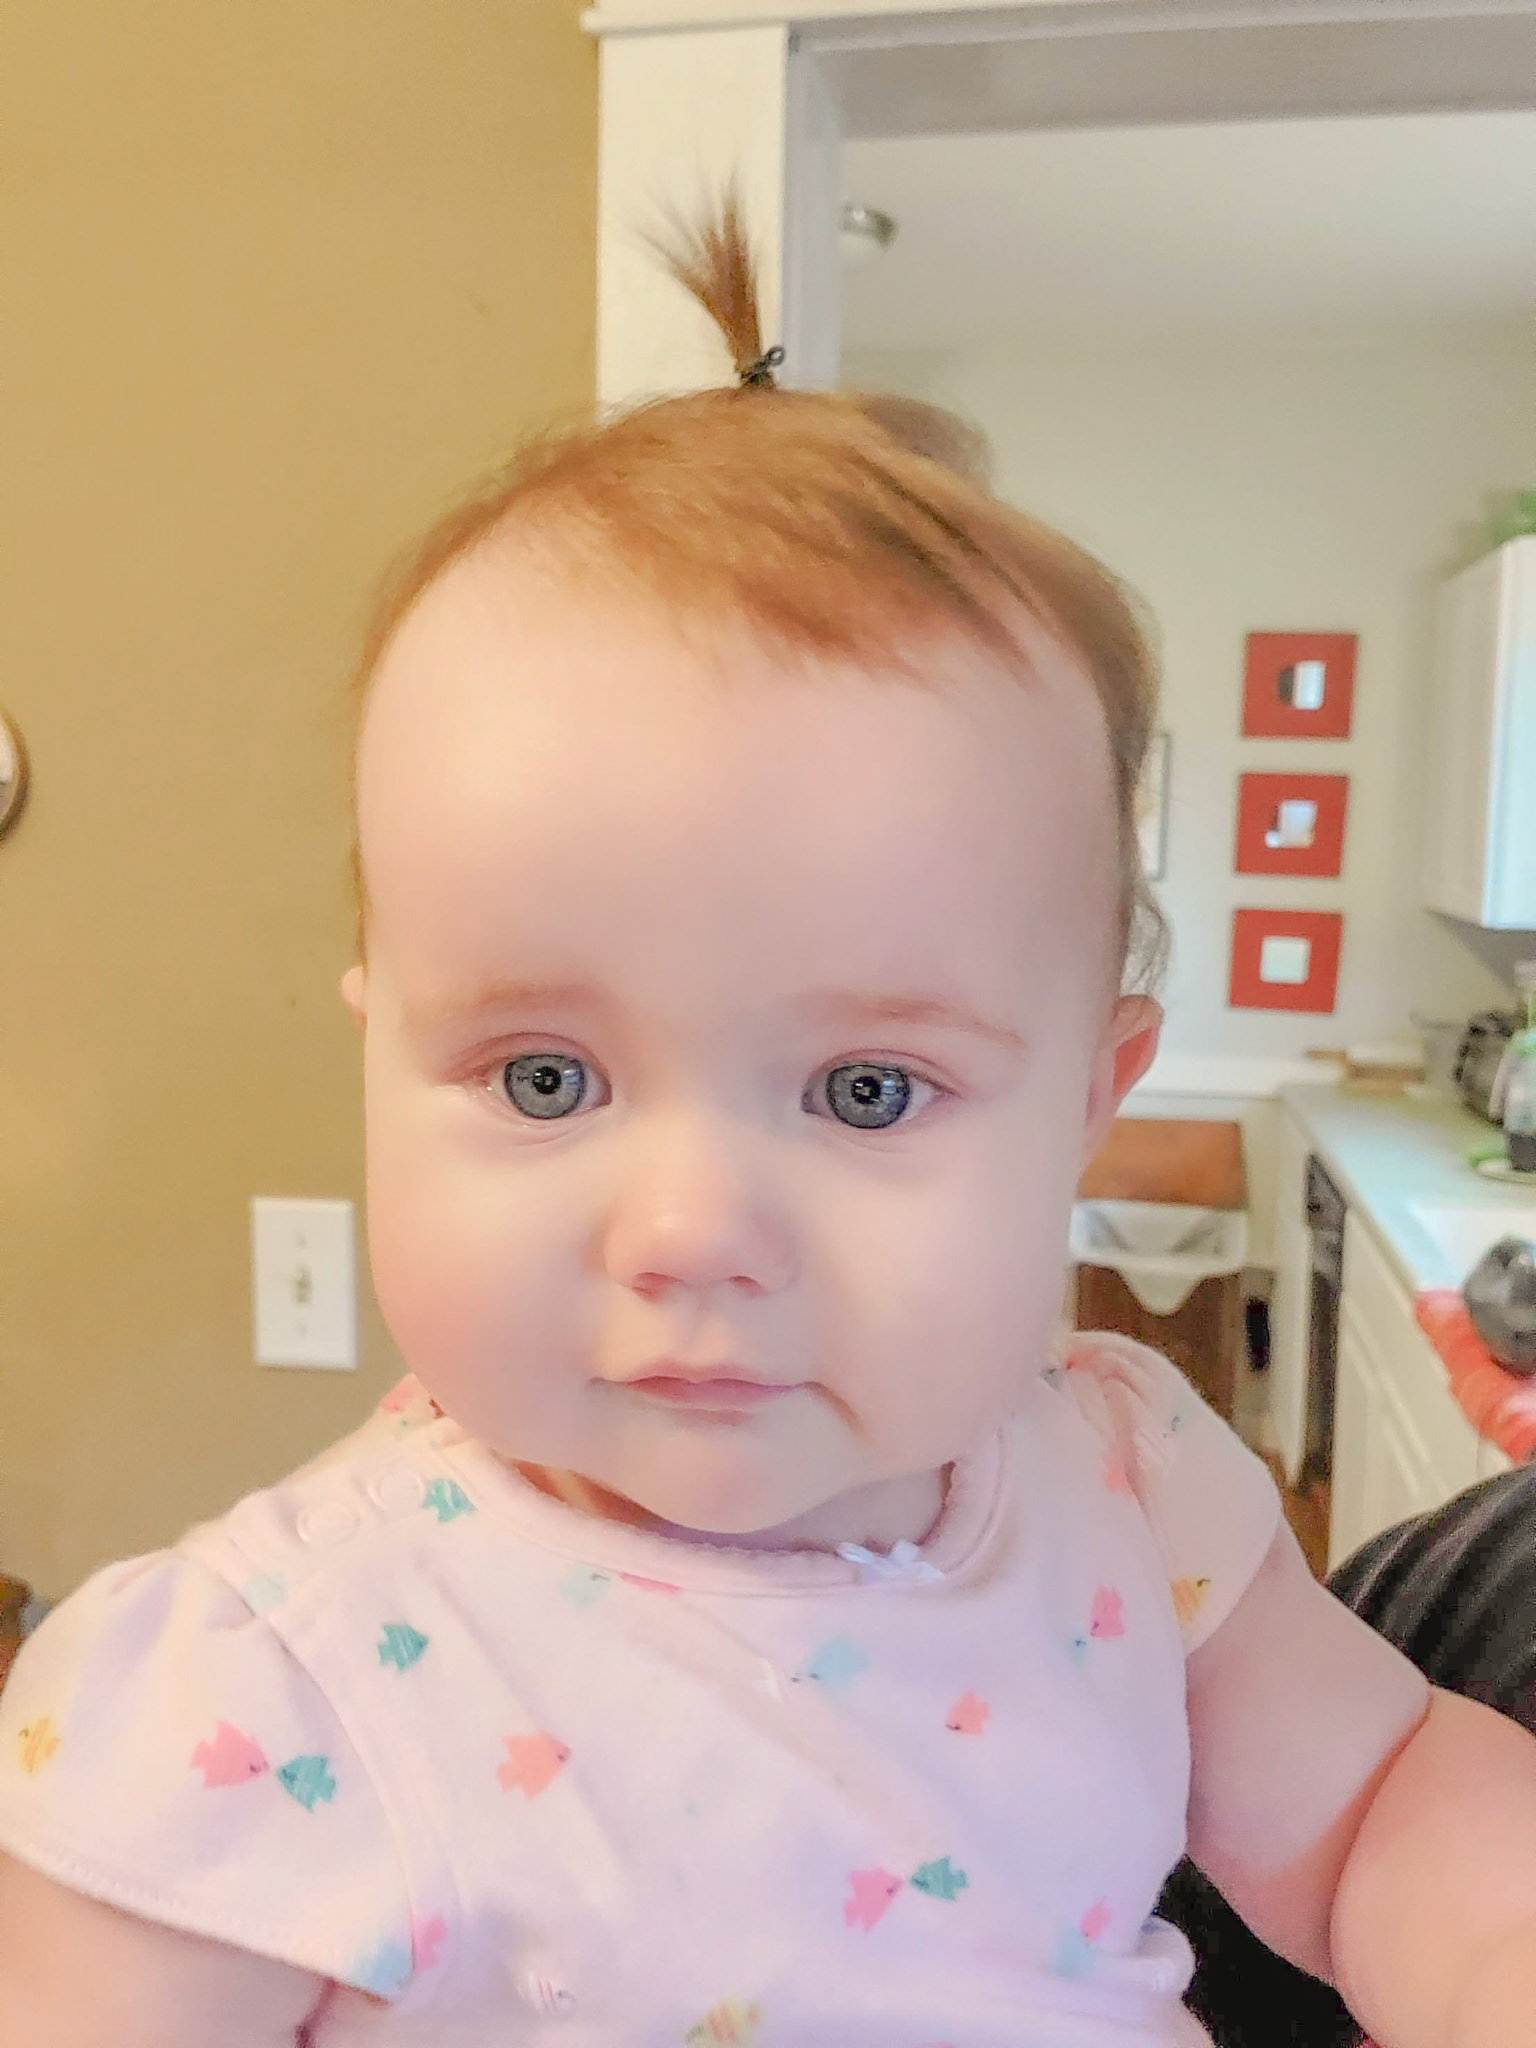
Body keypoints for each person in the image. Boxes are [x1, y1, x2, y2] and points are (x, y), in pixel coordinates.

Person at [2, 201, 1535, 2048]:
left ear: (1091, 1100)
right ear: (376, 1057)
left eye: (865, 1091)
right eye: (545, 1079)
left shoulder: (1128, 1495)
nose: (691, 1231)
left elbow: (1382, 1813)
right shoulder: (257, 1706)